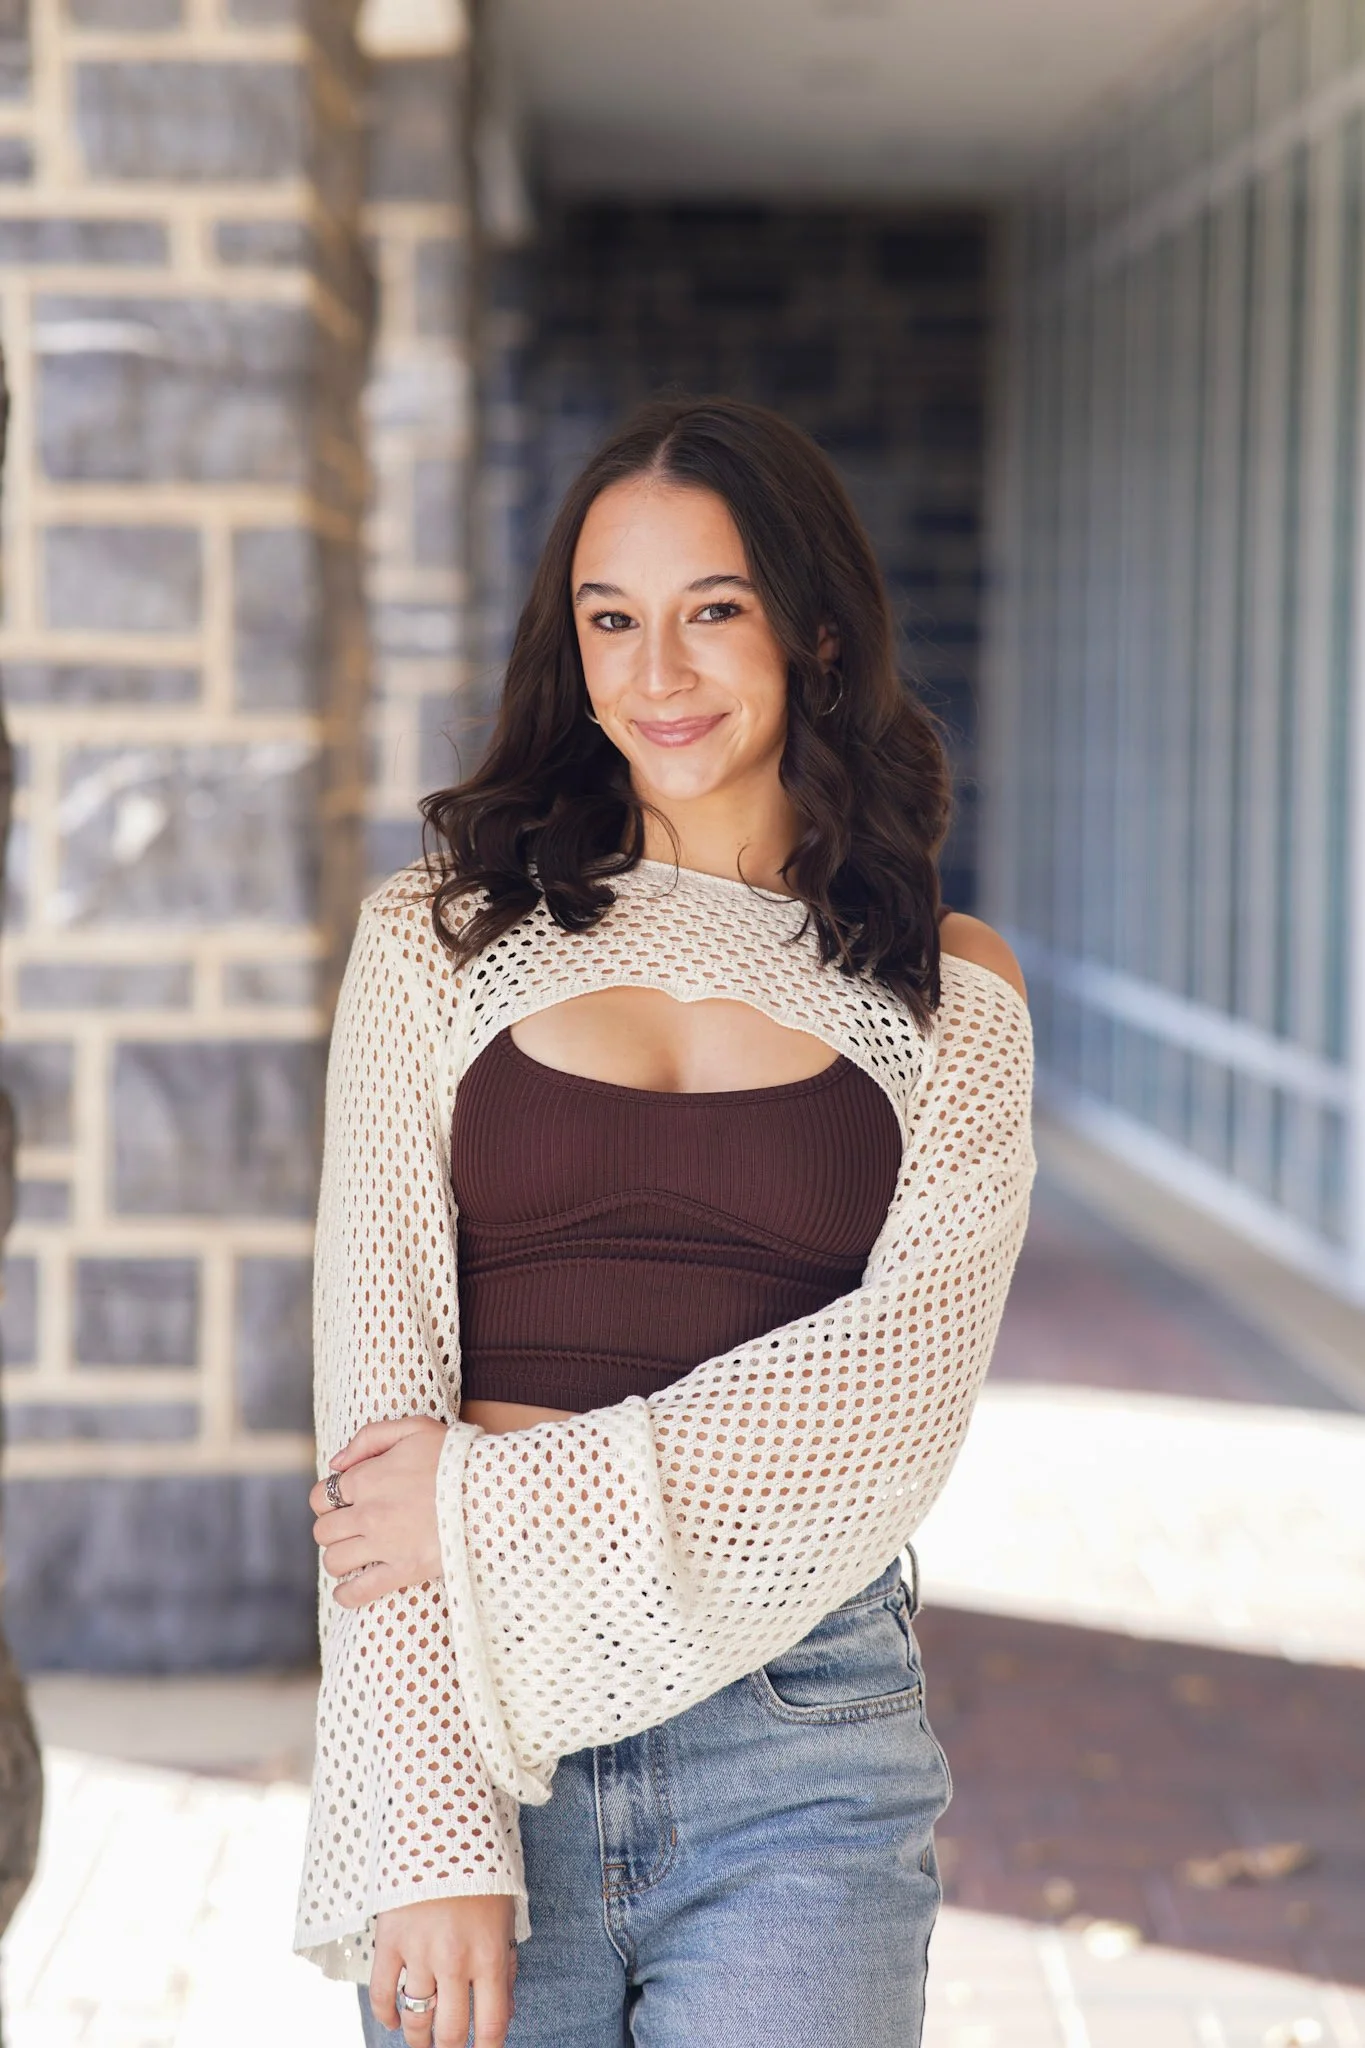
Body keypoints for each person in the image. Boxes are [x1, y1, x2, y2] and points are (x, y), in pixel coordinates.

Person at [295, 395, 1034, 2048]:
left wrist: (486, 1495)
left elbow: (889, 1412)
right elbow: (374, 1413)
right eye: (610, 620)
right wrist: (426, 1816)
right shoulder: (440, 939)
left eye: (715, 613)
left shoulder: (947, 989)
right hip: (475, 1703)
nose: (658, 675)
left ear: (818, 635)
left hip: (802, 1730)